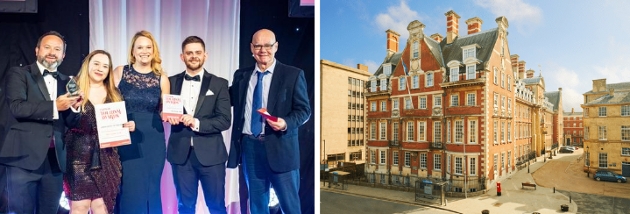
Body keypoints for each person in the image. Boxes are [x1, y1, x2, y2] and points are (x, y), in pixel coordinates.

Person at [227, 29, 311, 214]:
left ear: (276, 47)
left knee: (290, 206)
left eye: (267, 45)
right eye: (258, 45)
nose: (262, 50)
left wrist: (285, 122)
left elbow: (304, 111)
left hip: (281, 148)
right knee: (257, 205)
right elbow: (225, 99)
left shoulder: (293, 75)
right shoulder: (241, 76)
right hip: (250, 149)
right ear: (251, 48)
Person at [0, 31, 82, 214]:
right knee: (21, 211)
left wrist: (75, 108)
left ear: (63, 55)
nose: (52, 52)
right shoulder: (20, 73)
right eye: (47, 47)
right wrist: (55, 106)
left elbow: (72, 122)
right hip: (23, 158)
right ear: (37, 50)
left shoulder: (68, 82)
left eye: (57, 49)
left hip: (55, 163)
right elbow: (17, 107)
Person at [63, 50, 136, 214]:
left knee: (102, 209)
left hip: (107, 158)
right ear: (87, 64)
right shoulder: (73, 88)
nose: (100, 69)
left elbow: (120, 122)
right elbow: (65, 122)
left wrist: (128, 125)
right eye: (96, 64)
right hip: (77, 157)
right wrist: (73, 109)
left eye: (105, 66)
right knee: (79, 208)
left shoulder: (115, 93)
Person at [165, 36, 231, 214]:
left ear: (205, 55)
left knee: (216, 206)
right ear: (182, 57)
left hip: (212, 156)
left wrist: (197, 122)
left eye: (197, 52)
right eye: (189, 53)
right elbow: (160, 109)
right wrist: (164, 115)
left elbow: (225, 120)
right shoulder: (169, 82)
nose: (193, 56)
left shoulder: (219, 83)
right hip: (181, 155)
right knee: (185, 207)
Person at [113, 30, 170, 214]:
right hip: (127, 136)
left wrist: (172, 114)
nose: (144, 51)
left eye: (148, 47)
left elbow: (165, 110)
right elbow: (109, 102)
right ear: (133, 51)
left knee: (152, 187)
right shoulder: (120, 71)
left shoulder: (162, 78)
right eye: (140, 47)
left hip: (153, 139)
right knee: (130, 187)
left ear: (154, 50)